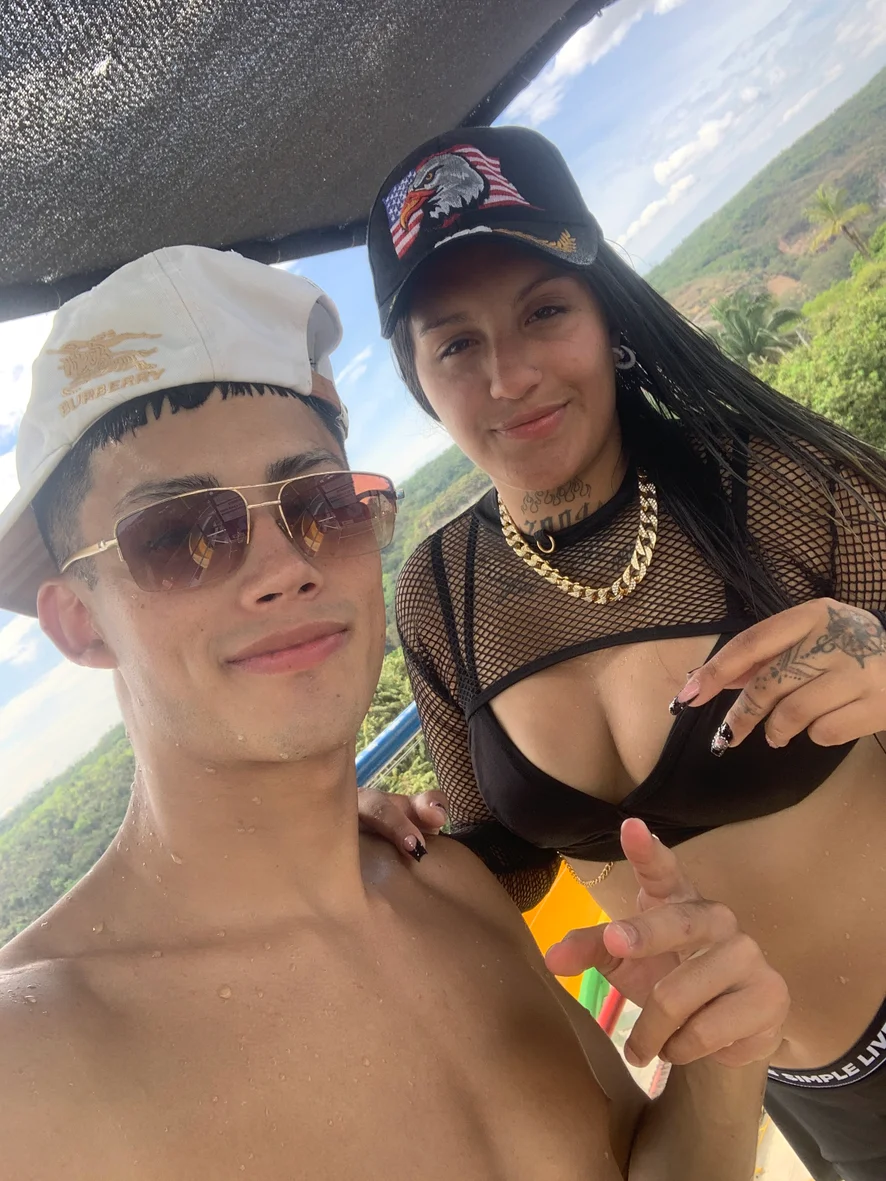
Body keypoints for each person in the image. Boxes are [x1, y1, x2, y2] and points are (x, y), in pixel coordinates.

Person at [0, 244, 788, 1180]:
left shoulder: (448, 884)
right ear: (80, 621)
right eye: (179, 535)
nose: (285, 565)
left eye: (321, 504)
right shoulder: (35, 1064)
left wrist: (718, 1070)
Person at [358, 125, 886, 1181]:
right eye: (454, 344)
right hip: (769, 1080)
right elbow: (507, 868)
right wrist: (386, 851)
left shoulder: (773, 484)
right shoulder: (442, 596)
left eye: (544, 311)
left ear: (604, 312)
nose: (508, 375)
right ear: (418, 378)